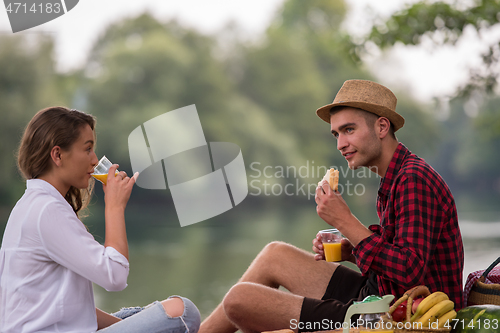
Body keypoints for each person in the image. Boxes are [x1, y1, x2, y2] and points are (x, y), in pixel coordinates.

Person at [199, 80, 464, 333]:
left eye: (349, 130)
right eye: (336, 134)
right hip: (377, 294)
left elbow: (409, 271)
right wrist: (351, 250)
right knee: (274, 254)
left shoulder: (413, 178)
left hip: (398, 316)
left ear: (382, 127)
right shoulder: (393, 178)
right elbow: (395, 258)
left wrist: (345, 221)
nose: (340, 144)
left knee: (240, 300)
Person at [0, 107, 201, 333]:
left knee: (139, 315)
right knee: (183, 312)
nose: (95, 160)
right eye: (87, 149)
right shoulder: (46, 209)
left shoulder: (32, 205)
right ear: (57, 155)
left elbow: (71, 310)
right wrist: (115, 206)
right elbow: (114, 277)